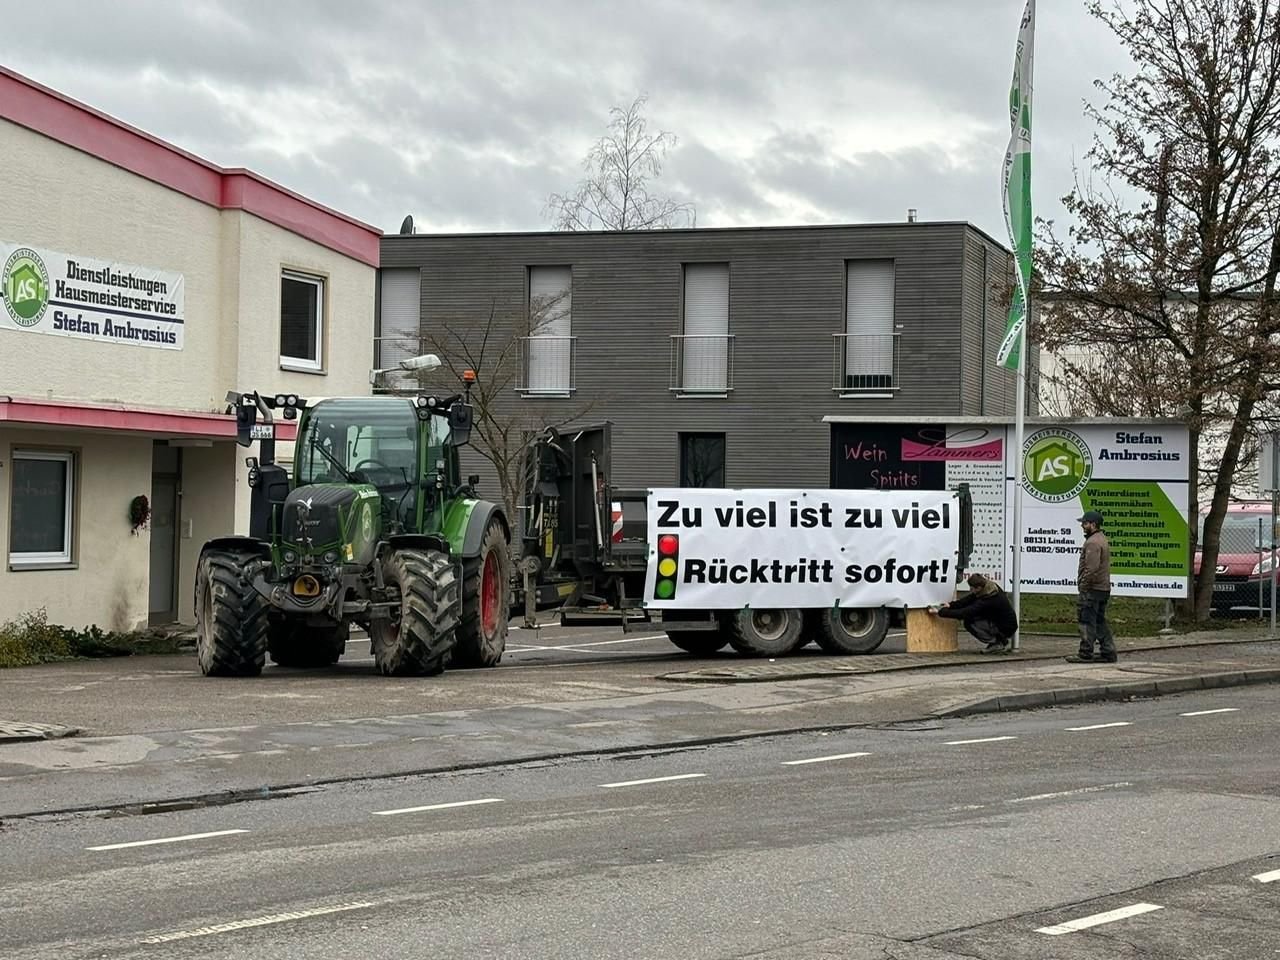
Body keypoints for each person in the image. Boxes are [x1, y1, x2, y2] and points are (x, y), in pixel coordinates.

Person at [1066, 510, 1116, 664]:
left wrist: (1083, 585)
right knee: (1100, 621)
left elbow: (1091, 569)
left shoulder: (1093, 542)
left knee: (1086, 621)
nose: (1082, 526)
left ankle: (1085, 653)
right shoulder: (1102, 539)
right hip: (1102, 588)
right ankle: (1108, 652)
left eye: (1085, 523)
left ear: (1093, 524)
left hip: (1092, 589)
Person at [929, 572, 1019, 654]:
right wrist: (950, 605)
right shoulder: (989, 588)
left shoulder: (988, 600)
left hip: (1006, 628)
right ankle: (998, 641)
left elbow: (965, 613)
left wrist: (941, 612)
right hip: (1000, 621)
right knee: (972, 617)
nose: (970, 590)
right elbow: (970, 598)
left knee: (969, 622)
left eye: (972, 588)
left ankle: (998, 641)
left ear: (979, 588)